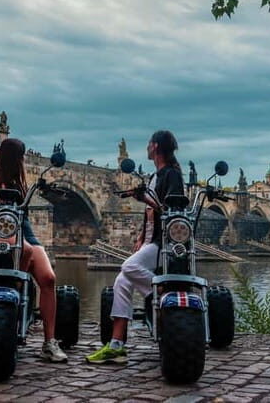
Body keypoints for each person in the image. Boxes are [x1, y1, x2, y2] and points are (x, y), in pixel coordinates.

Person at [86, 130, 184, 364]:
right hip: (150, 241)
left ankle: (161, 293)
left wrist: (145, 199)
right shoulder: (154, 177)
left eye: (149, 143)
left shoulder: (172, 175)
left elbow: (173, 212)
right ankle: (117, 345)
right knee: (121, 281)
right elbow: (150, 214)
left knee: (128, 267)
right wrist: (141, 236)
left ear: (156, 146)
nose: (147, 147)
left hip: (164, 244)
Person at [0, 138, 68, 362]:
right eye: (22, 156)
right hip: (5, 229)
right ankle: (12, 304)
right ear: (15, 157)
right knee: (26, 251)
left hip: (26, 230)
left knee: (48, 278)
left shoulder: (20, 181)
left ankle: (49, 342)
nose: (24, 159)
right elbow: (1, 211)